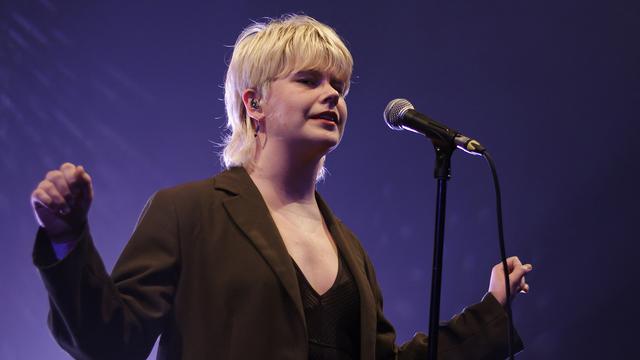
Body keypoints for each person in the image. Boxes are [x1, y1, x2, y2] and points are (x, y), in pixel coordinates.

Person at [31, 15, 533, 360]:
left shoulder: (350, 252)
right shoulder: (187, 214)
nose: (331, 95)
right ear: (254, 104)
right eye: (309, 80)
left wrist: (488, 313)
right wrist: (67, 239)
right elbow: (111, 341)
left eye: (339, 86)